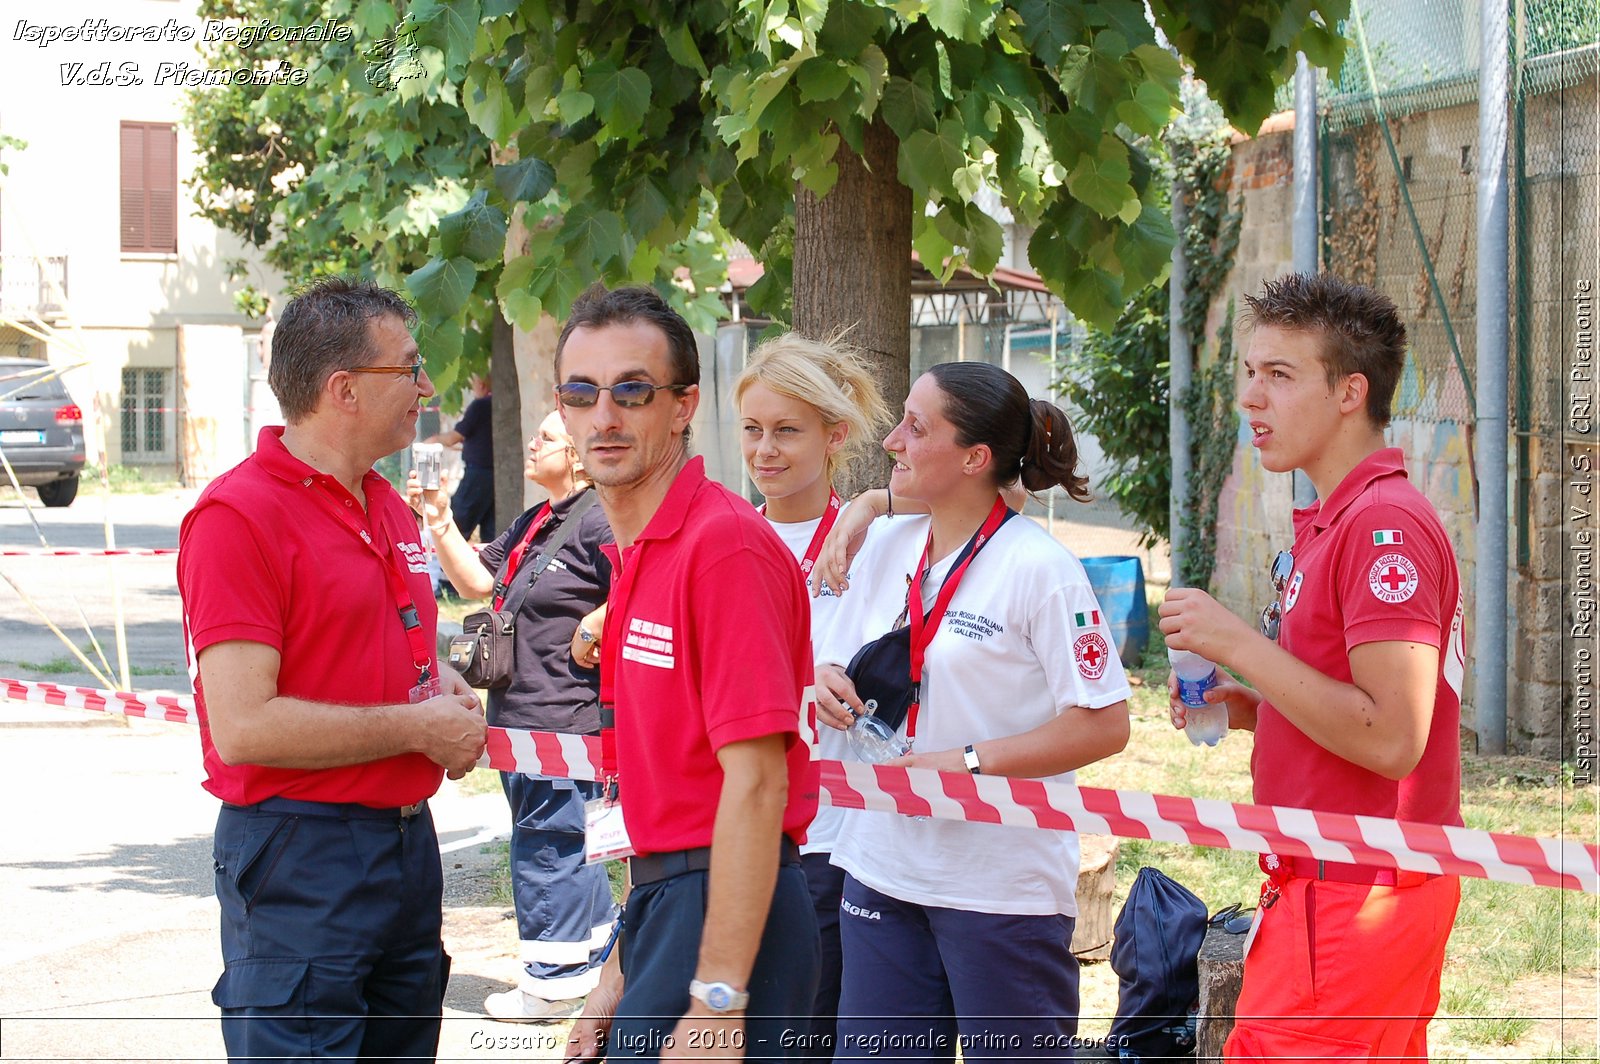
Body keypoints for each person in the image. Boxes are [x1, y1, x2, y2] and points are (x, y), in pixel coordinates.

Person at [176, 278, 488, 1061]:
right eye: (408, 370)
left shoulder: (381, 500)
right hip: (301, 854)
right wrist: (416, 725)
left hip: (404, 848)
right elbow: (244, 726)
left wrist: (435, 686)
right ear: (342, 389)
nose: (427, 387)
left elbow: (369, 649)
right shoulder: (239, 517)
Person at [1158, 273, 1464, 1062]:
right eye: (1250, 374)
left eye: (1279, 376)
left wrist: (1238, 645)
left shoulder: (1382, 524)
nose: (1250, 399)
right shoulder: (1339, 518)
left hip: (1358, 894)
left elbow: (1396, 737)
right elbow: (1352, 702)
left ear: (1348, 392)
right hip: (1320, 889)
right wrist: (1252, 703)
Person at [813, 361, 1131, 1062]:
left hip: (1000, 888)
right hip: (881, 869)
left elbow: (1105, 723)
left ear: (974, 458)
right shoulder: (885, 545)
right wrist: (826, 680)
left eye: (916, 427)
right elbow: (833, 655)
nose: (893, 438)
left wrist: (964, 765)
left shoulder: (1039, 567)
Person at [556, 285, 820, 1064]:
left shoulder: (722, 549)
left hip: (729, 915)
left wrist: (717, 998)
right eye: (582, 392)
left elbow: (756, 787)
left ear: (682, 406)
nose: (604, 417)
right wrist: (617, 973)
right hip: (668, 904)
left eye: (632, 390)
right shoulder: (644, 554)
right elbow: (674, 796)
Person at [410, 410, 618, 1022]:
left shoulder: (600, 517)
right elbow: (477, 580)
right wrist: (440, 519)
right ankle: (591, 963)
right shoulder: (537, 521)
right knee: (568, 846)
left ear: (578, 455)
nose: (532, 442)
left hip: (565, 718)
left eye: (547, 437)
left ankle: (551, 987)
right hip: (522, 718)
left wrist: (597, 622)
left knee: (549, 850)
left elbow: (645, 580)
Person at [731, 331, 891, 1056]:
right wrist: (799, 678)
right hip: (739, 827)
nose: (765, 450)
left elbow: (1010, 483)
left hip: (842, 841)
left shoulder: (884, 539)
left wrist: (872, 503)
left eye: (787, 431)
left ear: (837, 436)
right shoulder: (724, 540)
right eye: (753, 430)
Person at [427, 372, 495, 540]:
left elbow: (452, 438)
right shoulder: (498, 405)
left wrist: (435, 439)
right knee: (491, 531)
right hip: (495, 476)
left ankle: (446, 564)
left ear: (481, 385)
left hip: (477, 475)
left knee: (457, 525)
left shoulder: (479, 406)